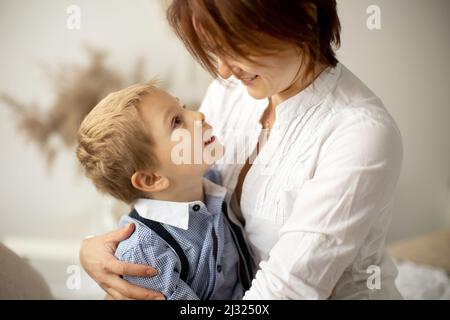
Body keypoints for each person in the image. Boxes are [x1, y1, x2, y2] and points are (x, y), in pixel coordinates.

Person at [80, 0, 404, 299]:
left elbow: (284, 291)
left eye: (234, 45)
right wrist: (97, 249)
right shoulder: (232, 91)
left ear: (304, 13)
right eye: (213, 49)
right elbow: (166, 194)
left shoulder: (360, 133)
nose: (222, 71)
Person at [76, 82, 253, 299]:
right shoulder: (145, 253)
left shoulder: (210, 181)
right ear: (152, 179)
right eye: (176, 122)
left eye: (184, 107)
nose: (198, 115)